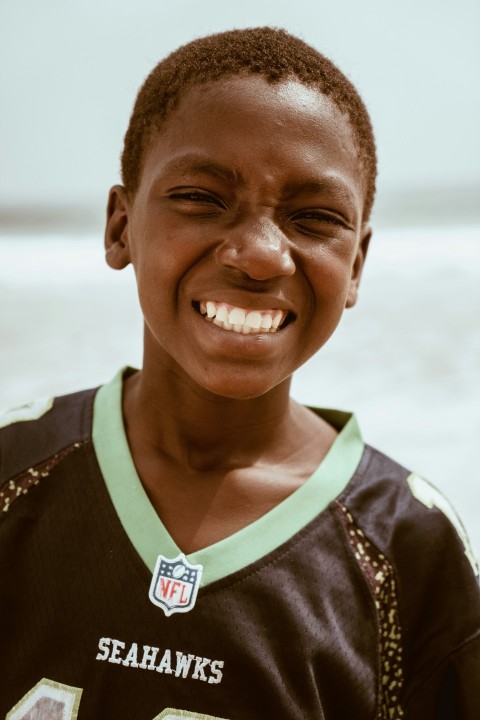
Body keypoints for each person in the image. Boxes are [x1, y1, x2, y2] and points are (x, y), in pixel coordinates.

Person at [0, 26, 478, 720]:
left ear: (357, 267)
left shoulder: (406, 547)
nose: (259, 255)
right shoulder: (15, 476)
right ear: (120, 226)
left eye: (313, 217)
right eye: (200, 198)